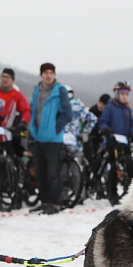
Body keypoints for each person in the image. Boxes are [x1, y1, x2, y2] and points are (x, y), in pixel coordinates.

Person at [29, 62, 72, 215]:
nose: (48, 75)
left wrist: (56, 128)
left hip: (53, 139)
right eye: (45, 73)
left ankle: (55, 203)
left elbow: (67, 113)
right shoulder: (37, 90)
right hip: (38, 137)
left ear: (54, 75)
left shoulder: (60, 91)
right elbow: (34, 111)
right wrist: (32, 129)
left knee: (54, 173)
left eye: (51, 73)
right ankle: (44, 201)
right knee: (40, 173)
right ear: (41, 75)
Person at [63, 86, 97, 155]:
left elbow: (92, 119)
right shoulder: (56, 108)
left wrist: (83, 132)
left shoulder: (78, 108)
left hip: (74, 142)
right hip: (64, 143)